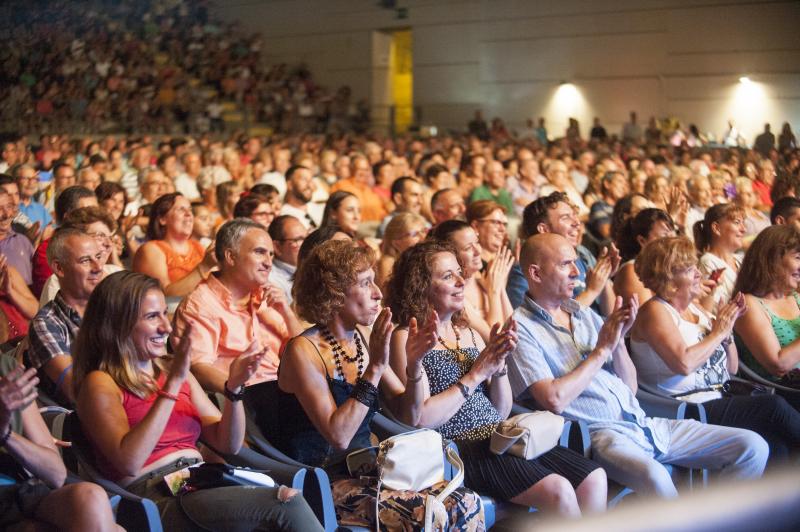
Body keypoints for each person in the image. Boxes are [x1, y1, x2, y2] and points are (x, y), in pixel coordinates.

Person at [507, 232, 769, 497]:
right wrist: (601, 350)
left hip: (644, 423)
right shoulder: (521, 328)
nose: (577, 272)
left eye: (576, 262)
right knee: (656, 477)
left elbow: (630, 386)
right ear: (536, 274)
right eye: (565, 264)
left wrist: (619, 341)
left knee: (752, 447)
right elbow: (553, 399)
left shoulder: (585, 315)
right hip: (600, 436)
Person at [71, 271, 322, 531]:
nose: (165, 327)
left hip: (199, 479)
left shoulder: (175, 373)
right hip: (154, 494)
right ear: (117, 324)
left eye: (163, 315)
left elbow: (229, 444)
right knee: (286, 502)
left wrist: (234, 388)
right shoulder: (100, 383)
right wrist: (171, 387)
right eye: (151, 316)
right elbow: (129, 462)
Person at [386, 240, 607, 516]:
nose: (460, 281)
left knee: (594, 478)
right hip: (459, 448)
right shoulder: (406, 337)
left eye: (459, 272)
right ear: (421, 286)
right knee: (559, 490)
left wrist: (499, 363)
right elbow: (420, 419)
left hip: (501, 437)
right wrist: (476, 374)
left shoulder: (468, 332)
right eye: (447, 276)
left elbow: (501, 410)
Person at [275, 240, 484, 529]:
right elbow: (339, 436)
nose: (378, 293)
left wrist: (414, 366)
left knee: (466, 501)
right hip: (323, 479)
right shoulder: (303, 349)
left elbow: (410, 416)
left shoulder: (359, 338)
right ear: (333, 294)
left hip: (373, 471)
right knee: (430, 513)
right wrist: (374, 369)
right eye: (365, 283)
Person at [630, 236, 800, 462]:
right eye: (690, 269)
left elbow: (730, 369)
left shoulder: (696, 309)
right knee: (773, 406)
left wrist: (726, 334)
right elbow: (683, 363)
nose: (699, 273)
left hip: (718, 397)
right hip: (684, 408)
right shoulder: (655, 311)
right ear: (669, 278)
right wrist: (718, 332)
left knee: (776, 444)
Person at [173, 218, 303, 395]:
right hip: (245, 402)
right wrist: (239, 395)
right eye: (259, 252)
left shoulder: (267, 298)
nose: (268, 262)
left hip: (285, 391)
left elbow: (304, 354)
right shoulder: (201, 304)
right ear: (231, 257)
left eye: (271, 254)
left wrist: (287, 313)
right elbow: (197, 367)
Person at [0, 353, 120, 532]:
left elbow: (56, 474)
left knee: (91, 497)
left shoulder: (7, 369)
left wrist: (6, 434)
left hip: (20, 492)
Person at [26, 227, 103, 405]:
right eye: (85, 261)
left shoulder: (113, 307)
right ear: (59, 268)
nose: (98, 267)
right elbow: (78, 391)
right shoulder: (46, 323)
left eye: (98, 257)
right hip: (83, 417)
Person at [734, 225, 800, 399]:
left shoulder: (796, 298)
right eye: (798, 258)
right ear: (773, 259)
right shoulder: (750, 304)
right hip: (780, 394)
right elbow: (779, 365)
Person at [430, 220, 514, 342]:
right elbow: (496, 339)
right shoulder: (455, 294)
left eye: (477, 243)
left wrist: (500, 288)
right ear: (452, 255)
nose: (478, 251)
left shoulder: (487, 278)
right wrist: (494, 292)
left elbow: (515, 328)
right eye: (468, 248)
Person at [133, 193, 216, 297]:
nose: (189, 214)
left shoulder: (198, 247)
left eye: (190, 210)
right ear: (162, 219)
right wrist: (204, 267)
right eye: (181, 210)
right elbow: (164, 295)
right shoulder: (151, 250)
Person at [39, 206, 123, 305]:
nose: (108, 244)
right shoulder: (58, 282)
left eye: (110, 238)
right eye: (100, 236)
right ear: (76, 239)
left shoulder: (117, 273)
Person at [614, 208, 677, 304]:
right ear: (642, 241)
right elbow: (648, 314)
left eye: (673, 238)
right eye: (664, 239)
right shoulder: (632, 270)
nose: (671, 244)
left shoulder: (669, 269)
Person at [694, 203, 746, 311]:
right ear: (716, 228)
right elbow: (713, 310)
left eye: (743, 223)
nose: (743, 229)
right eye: (737, 223)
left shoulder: (741, 259)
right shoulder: (708, 262)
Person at [376, 212, 428, 290]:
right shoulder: (388, 263)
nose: (422, 237)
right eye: (414, 234)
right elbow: (387, 296)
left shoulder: (424, 258)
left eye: (423, 231)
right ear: (396, 242)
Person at [268, 215, 307, 304]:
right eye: (298, 240)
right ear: (277, 247)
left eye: (307, 238)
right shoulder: (272, 280)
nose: (307, 245)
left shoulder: (311, 269)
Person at [279, 165, 323, 230]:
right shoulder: (283, 215)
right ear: (289, 184)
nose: (309, 185)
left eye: (311, 180)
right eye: (304, 179)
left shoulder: (320, 209)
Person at [734, 177, 770, 242]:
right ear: (737, 195)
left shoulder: (760, 213)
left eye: (751, 192)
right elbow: (735, 240)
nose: (750, 195)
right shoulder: (736, 215)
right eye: (746, 193)